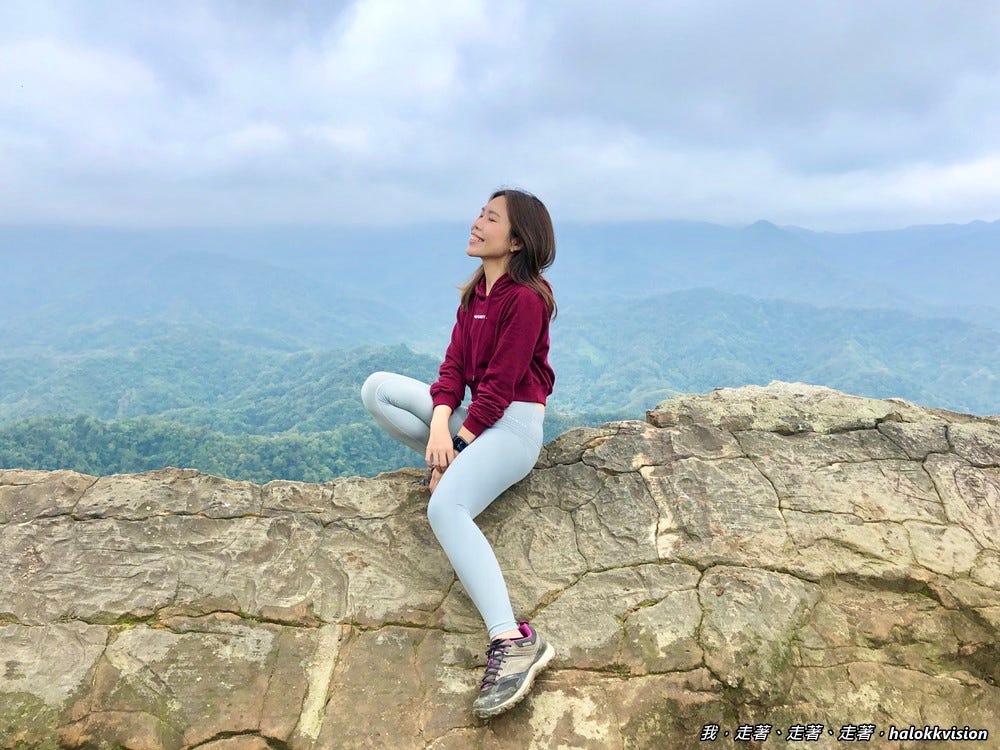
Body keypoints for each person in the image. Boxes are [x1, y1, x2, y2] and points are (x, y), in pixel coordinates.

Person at [361, 188, 557, 719]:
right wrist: (441, 432)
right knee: (378, 389)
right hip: (474, 419)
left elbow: (498, 391)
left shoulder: (526, 300)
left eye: (491, 218)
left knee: (445, 509)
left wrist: (459, 445)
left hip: (513, 428)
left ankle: (512, 639)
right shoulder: (476, 295)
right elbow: (451, 372)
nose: (476, 223)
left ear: (516, 241)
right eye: (480, 213)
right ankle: (451, 465)